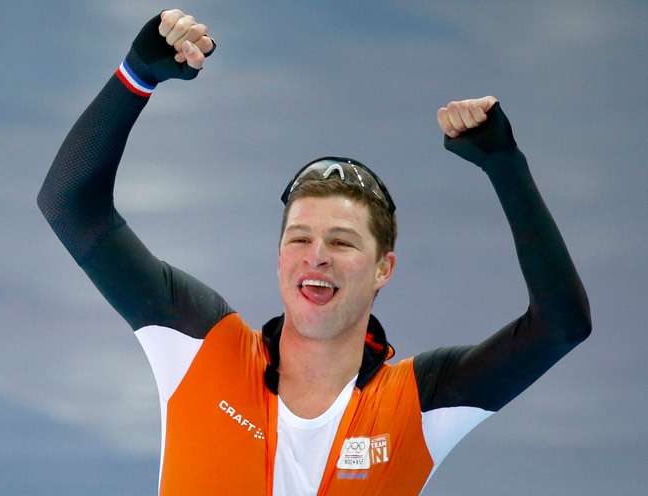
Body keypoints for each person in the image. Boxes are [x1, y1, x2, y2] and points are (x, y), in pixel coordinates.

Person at [37, 8, 592, 496]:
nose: (315, 256)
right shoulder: (201, 345)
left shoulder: (421, 403)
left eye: (342, 242)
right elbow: (71, 205)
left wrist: (504, 165)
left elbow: (561, 326)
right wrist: (134, 77)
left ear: (383, 269)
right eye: (299, 238)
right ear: (279, 256)